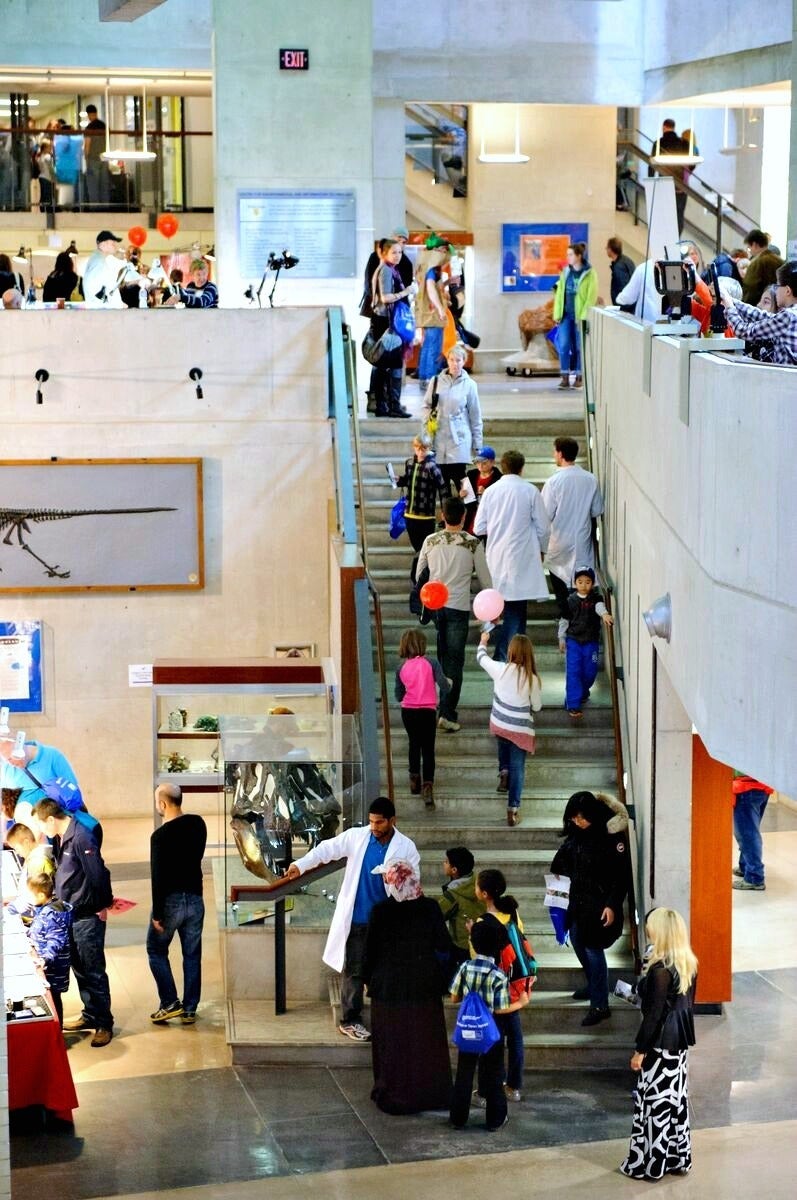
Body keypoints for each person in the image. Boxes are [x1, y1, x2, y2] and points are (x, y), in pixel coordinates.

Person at [284, 796, 419, 1041]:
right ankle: (349, 1020)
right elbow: (327, 849)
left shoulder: (407, 847)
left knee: (383, 969)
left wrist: (397, 880)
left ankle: (384, 1016)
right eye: (371, 822)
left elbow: (413, 885)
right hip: (357, 918)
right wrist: (301, 865)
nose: (374, 827)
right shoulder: (358, 836)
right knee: (354, 971)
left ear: (392, 821)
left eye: (379, 823)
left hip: (386, 921)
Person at [362, 859, 453, 1115]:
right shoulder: (431, 907)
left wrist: (369, 980)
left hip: (389, 989)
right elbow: (443, 945)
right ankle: (431, 1092)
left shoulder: (381, 911)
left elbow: (369, 952)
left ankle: (393, 1091)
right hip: (424, 987)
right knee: (425, 1040)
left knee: (393, 1042)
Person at [620, 908, 698, 1181]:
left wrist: (640, 1051)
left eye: (651, 927)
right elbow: (682, 1007)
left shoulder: (660, 971)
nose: (648, 931)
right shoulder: (688, 963)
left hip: (659, 1048)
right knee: (675, 1103)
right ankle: (676, 1158)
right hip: (679, 1047)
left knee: (654, 1107)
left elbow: (653, 1017)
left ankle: (652, 1164)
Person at [32, 797, 114, 1046]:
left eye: (42, 825)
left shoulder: (80, 837)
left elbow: (97, 873)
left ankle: (104, 1023)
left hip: (87, 915)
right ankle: (90, 1014)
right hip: (71, 913)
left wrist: (103, 904)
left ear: (51, 819)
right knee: (79, 967)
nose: (41, 831)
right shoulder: (61, 837)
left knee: (93, 970)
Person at [550, 789, 628, 1025]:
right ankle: (593, 982)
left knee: (593, 949)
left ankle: (599, 1004)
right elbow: (563, 861)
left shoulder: (610, 836)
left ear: (592, 815)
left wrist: (612, 905)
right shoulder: (576, 834)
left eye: (580, 818)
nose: (576, 822)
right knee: (577, 940)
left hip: (599, 904)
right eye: (573, 818)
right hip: (577, 902)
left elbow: (621, 876)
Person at [416, 495, 491, 734]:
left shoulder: (430, 541)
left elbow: (420, 575)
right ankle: (447, 713)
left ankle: (440, 707)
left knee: (442, 656)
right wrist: (491, 613)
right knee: (455, 661)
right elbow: (486, 580)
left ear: (442, 515)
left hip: (436, 606)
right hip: (459, 606)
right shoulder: (473, 543)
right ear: (464, 516)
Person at [449, 917, 529, 1132]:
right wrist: (520, 1002)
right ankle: (495, 1119)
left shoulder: (465, 967)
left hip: (468, 1029)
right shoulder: (498, 975)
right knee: (494, 1073)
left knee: (464, 1072)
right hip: (491, 1031)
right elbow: (501, 1009)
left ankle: (458, 1117)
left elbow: (454, 998)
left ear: (473, 944)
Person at [473, 449, 551, 662]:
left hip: (496, 557)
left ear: (502, 466)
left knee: (499, 608)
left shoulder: (490, 491)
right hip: (522, 558)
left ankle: (503, 656)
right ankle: (509, 658)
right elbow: (544, 528)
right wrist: (542, 550)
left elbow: (479, 528)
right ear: (522, 468)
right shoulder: (530, 491)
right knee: (517, 610)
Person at [470, 869, 535, 1104]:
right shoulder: (513, 914)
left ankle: (487, 1091)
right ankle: (514, 1087)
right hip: (515, 985)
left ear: (484, 893)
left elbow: (479, 953)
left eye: (477, 887)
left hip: (492, 988)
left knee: (492, 1041)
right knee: (515, 1037)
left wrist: (473, 932)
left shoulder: (482, 922)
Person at [147, 783, 208, 1025]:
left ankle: (170, 1002)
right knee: (192, 955)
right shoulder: (197, 824)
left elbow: (157, 876)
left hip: (170, 901)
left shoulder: (160, 837)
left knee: (156, 950)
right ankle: (190, 1009)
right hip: (195, 898)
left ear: (162, 804)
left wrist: (158, 913)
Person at [476, 630, 541, 825]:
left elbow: (481, 657)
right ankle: (512, 809)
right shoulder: (533, 679)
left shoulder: (500, 669)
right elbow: (537, 706)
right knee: (518, 767)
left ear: (510, 651)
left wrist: (483, 641)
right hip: (520, 729)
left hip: (500, 722)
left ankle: (503, 772)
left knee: (503, 737)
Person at [541, 437, 604, 621]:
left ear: (560, 454)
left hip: (559, 542)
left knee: (562, 590)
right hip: (582, 541)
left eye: (555, 451)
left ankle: (566, 623)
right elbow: (597, 510)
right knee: (583, 587)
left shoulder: (554, 482)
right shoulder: (590, 479)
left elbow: (545, 515)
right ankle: (582, 624)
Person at [394, 627, 450, 808]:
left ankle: (413, 780)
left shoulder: (400, 667)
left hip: (408, 711)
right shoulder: (432, 663)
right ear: (423, 645)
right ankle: (428, 786)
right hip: (428, 711)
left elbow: (398, 695)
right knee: (428, 749)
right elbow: (444, 685)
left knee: (413, 744)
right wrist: (449, 683)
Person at [362, 229, 414, 412]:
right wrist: (405, 292)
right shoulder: (384, 269)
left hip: (390, 318)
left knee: (388, 363)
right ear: (384, 252)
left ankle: (388, 405)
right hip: (383, 319)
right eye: (394, 251)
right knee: (385, 362)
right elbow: (384, 297)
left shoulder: (396, 266)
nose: (398, 254)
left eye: (401, 249)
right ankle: (384, 403)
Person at [421, 343, 483, 495]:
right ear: (447, 361)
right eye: (452, 360)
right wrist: (426, 432)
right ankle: (447, 517)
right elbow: (426, 406)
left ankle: (469, 514)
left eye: (459, 360)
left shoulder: (470, 385)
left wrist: (478, 444)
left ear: (464, 361)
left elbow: (475, 415)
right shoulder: (436, 381)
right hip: (439, 438)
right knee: (443, 487)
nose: (455, 364)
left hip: (459, 438)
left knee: (463, 484)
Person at [559, 566, 613, 718]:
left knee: (590, 671)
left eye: (588, 582)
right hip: (573, 641)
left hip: (591, 642)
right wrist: (561, 638)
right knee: (573, 671)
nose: (584, 585)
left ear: (593, 583)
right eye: (580, 581)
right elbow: (564, 620)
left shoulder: (596, 598)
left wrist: (605, 615)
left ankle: (582, 692)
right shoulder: (570, 601)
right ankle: (573, 704)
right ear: (575, 583)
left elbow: (599, 607)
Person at [722, 260, 797, 366]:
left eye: (778, 285)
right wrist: (731, 300)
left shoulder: (788, 316)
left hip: (784, 381)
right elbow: (763, 316)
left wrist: (729, 306)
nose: (775, 290)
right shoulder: (792, 314)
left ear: (788, 291)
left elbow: (743, 331)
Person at [24, 871, 72, 1026]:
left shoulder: (50, 915)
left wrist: (45, 959)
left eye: (29, 894)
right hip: (50, 965)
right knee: (53, 998)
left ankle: (57, 1031)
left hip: (52, 968)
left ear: (40, 895)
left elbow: (56, 940)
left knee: (53, 999)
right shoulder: (45, 910)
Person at [396, 433, 446, 569]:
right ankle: (420, 575)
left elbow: (443, 489)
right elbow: (408, 480)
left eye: (423, 448)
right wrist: (399, 480)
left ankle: (420, 575)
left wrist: (444, 510)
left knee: (424, 549)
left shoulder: (433, 467)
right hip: (410, 514)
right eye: (417, 447)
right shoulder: (410, 463)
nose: (420, 450)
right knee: (418, 547)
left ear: (429, 447)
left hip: (426, 516)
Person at [552, 242, 598, 389]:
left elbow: (591, 296)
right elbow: (560, 294)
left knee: (580, 347)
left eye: (570, 254)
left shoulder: (590, 274)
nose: (568, 257)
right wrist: (557, 313)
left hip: (580, 317)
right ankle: (564, 376)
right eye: (567, 254)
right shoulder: (565, 272)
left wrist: (584, 316)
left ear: (578, 256)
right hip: (566, 315)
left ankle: (579, 376)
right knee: (564, 345)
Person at [436, 846, 484, 963]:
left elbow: (437, 914)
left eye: (447, 862)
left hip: (461, 946)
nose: (444, 863)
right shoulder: (479, 882)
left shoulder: (453, 895)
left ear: (454, 870)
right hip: (481, 940)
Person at [0, 736, 80, 806]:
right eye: (6, 760)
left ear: (20, 749)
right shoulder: (7, 769)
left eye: (10, 758)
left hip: (56, 817)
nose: (10, 763)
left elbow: (72, 791)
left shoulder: (52, 755)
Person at [415, 235, 451, 386]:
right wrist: (440, 309)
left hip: (424, 310)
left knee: (427, 344)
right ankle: (431, 379)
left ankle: (424, 377)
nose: (444, 253)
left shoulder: (423, 262)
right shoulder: (433, 265)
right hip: (433, 312)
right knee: (434, 346)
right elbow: (430, 287)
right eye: (443, 249)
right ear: (436, 249)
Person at [83, 229, 150, 308]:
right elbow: (97, 291)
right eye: (113, 243)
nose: (115, 245)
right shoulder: (99, 263)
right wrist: (118, 304)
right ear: (103, 244)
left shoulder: (100, 260)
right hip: (102, 311)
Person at [732, 772, 773, 891]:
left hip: (747, 787)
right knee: (750, 831)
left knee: (747, 834)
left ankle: (754, 877)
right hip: (760, 785)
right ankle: (745, 867)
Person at [461, 446, 501, 534]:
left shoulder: (499, 479)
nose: (480, 465)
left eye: (484, 463)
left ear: (492, 462)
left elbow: (501, 501)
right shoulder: (471, 475)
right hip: (472, 517)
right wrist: (462, 495)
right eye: (478, 462)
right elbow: (467, 499)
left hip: (490, 519)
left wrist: (486, 493)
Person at [741, 229, 784, 306]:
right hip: (779, 305)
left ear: (754, 245)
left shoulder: (756, 263)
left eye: (749, 248)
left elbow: (751, 289)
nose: (749, 251)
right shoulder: (779, 261)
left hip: (760, 307)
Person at [616, 258, 662, 323]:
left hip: (647, 324)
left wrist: (618, 299)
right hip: (672, 327)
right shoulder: (677, 267)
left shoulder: (643, 268)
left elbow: (628, 297)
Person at [82, 103, 109, 207]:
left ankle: (95, 209)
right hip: (104, 158)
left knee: (93, 186)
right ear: (96, 113)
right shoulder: (104, 126)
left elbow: (87, 145)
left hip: (93, 159)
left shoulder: (89, 127)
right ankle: (106, 208)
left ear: (88, 115)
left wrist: (86, 157)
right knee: (104, 185)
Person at [606, 237, 635, 311]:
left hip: (625, 308)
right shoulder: (627, 260)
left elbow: (623, 288)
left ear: (611, 249)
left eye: (607, 247)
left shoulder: (619, 266)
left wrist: (620, 307)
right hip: (631, 306)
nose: (606, 249)